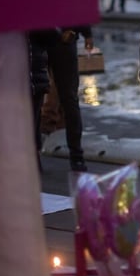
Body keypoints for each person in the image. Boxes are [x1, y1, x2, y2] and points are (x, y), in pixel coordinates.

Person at [28, 26, 93, 172]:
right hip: (54, 38)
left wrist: (86, 33)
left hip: (58, 38)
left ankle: (75, 154)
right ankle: (75, 156)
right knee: (41, 96)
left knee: (64, 98)